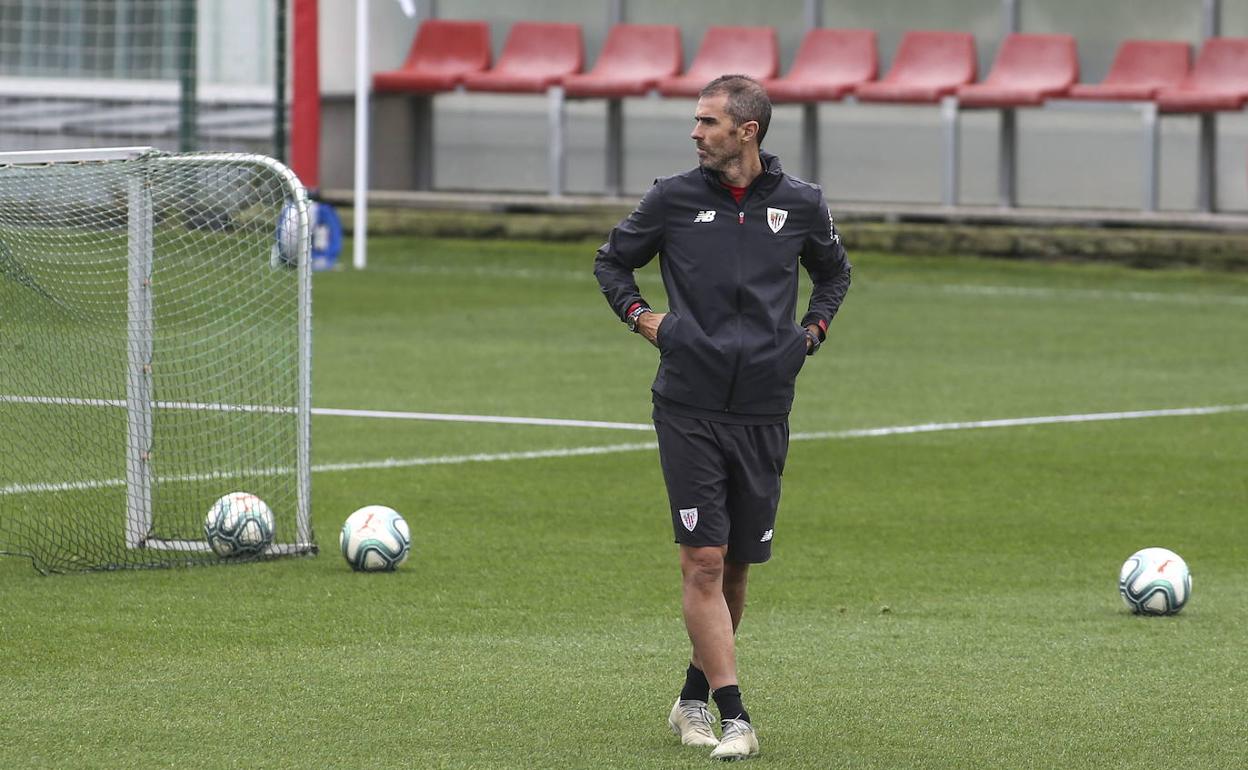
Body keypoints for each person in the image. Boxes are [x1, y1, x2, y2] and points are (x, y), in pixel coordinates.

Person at [593, 74, 852, 760]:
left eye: (708, 122)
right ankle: (735, 715)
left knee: (735, 566)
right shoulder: (671, 198)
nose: (695, 132)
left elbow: (834, 274)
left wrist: (811, 334)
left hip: (766, 405)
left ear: (748, 132)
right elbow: (612, 263)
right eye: (696, 121)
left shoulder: (801, 204)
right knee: (702, 560)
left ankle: (690, 700)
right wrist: (647, 322)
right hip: (688, 403)